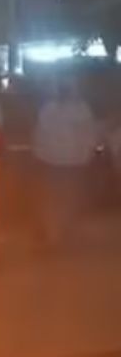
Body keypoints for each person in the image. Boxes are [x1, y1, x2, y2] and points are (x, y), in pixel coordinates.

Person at [32, 74, 101, 247]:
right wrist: (89, 154)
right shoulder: (80, 109)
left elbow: (40, 136)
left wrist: (39, 156)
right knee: (69, 199)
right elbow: (90, 135)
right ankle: (60, 235)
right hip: (72, 163)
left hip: (55, 162)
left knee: (56, 200)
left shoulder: (49, 109)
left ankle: (55, 235)